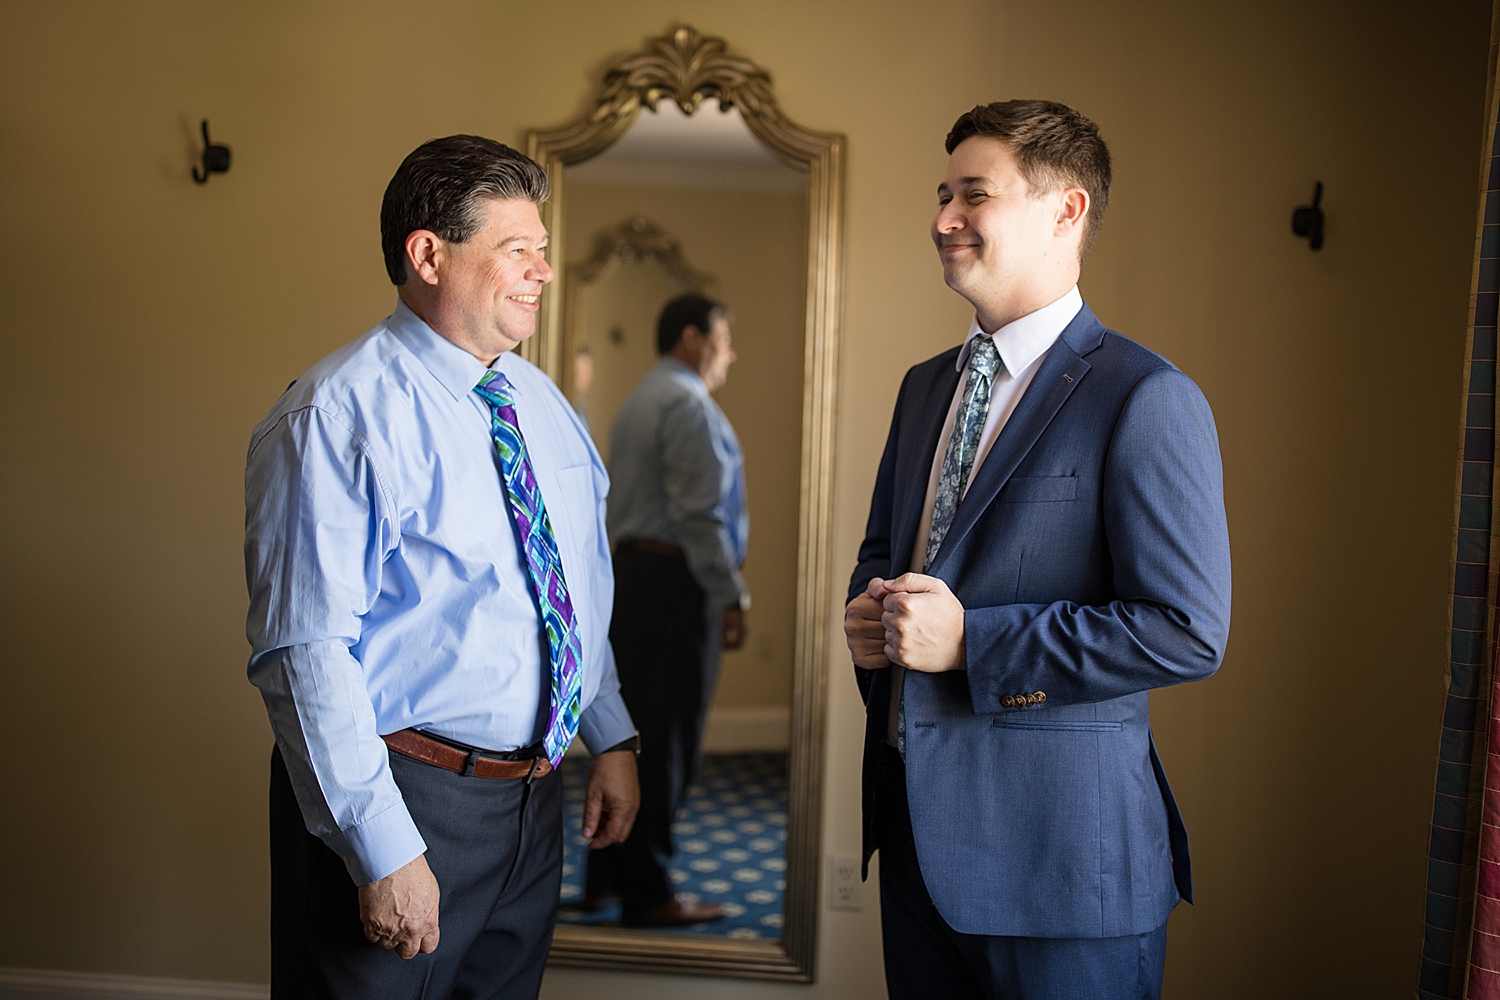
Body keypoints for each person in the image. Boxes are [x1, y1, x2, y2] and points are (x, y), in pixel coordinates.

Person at [843, 101, 1231, 999]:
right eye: (941, 194)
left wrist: (973, 642)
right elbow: (882, 553)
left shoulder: (1147, 396)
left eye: (972, 194)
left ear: (1068, 210)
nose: (942, 218)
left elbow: (1184, 629)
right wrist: (872, 615)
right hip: (912, 841)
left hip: (1063, 870)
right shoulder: (923, 388)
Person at [244, 135, 640, 1000]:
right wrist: (381, 847)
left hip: (533, 804)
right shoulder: (335, 417)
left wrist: (608, 734)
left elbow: (572, 587)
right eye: (517, 249)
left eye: (543, 247)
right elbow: (303, 652)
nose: (543, 270)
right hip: (403, 797)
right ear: (429, 254)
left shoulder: (538, 402)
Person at [582, 293, 750, 926]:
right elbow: (701, 518)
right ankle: (648, 892)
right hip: (676, 585)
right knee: (668, 740)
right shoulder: (687, 405)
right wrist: (730, 595)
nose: (730, 354)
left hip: (634, 578)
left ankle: (606, 876)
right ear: (691, 338)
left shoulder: (639, 400)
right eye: (724, 339)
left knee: (632, 730)